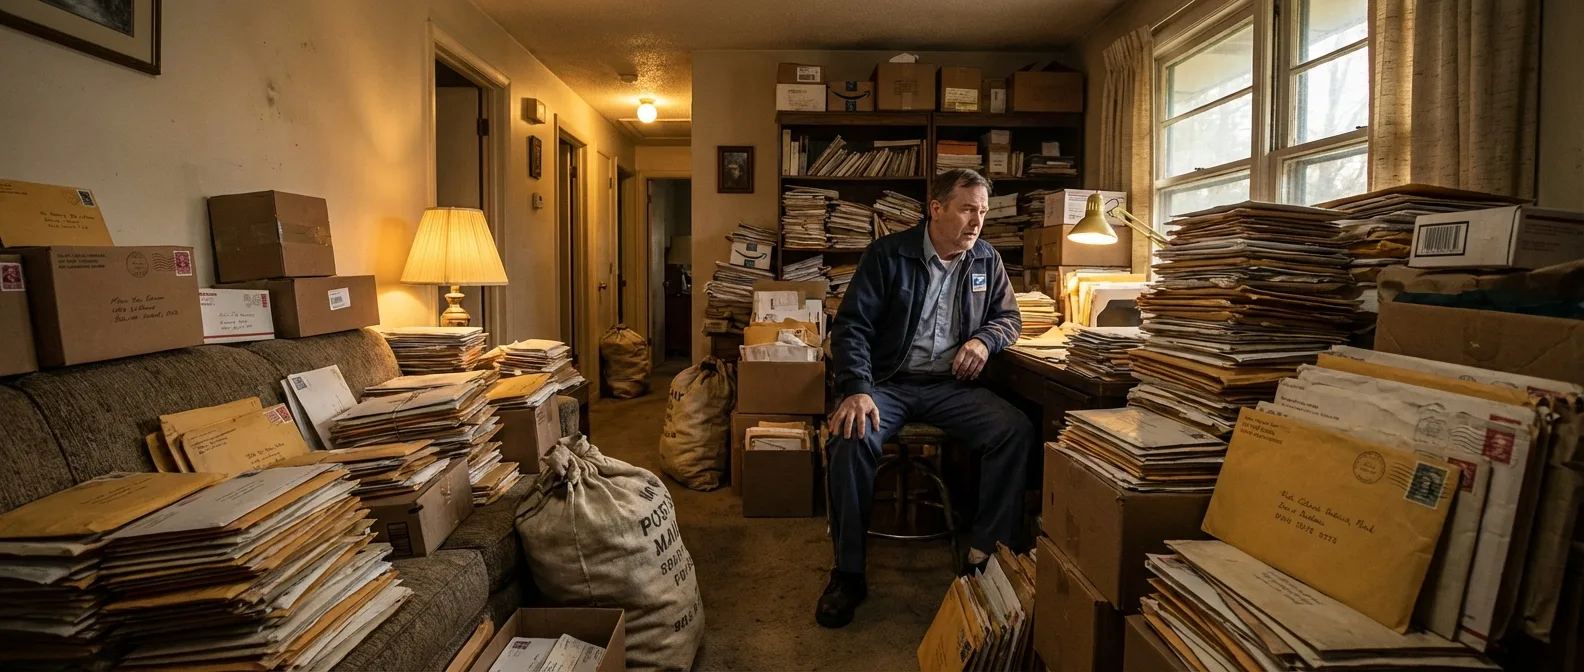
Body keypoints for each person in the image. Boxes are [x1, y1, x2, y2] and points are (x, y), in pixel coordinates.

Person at [815, 168, 1034, 628]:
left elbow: (1009, 319)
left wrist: (984, 340)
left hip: (950, 388)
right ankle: (848, 573)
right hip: (888, 383)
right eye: (967, 209)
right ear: (936, 209)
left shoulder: (986, 261)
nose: (977, 221)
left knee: (1014, 429)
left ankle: (983, 554)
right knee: (850, 437)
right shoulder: (887, 255)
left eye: (983, 212)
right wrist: (856, 389)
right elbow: (851, 327)